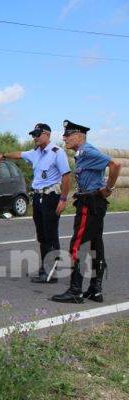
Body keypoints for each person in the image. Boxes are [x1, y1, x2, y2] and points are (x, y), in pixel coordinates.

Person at [51, 120, 121, 303]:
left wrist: (109, 188)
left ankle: (75, 291)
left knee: (77, 246)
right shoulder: (81, 154)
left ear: (79, 136)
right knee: (96, 246)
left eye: (68, 134)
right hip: (95, 203)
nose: (64, 138)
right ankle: (95, 290)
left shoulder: (88, 151)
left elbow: (115, 165)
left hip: (89, 203)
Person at [0, 123, 71, 283]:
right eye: (33, 135)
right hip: (38, 197)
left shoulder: (57, 152)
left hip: (51, 197)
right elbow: (19, 154)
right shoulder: (35, 153)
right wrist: (4, 155)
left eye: (37, 134)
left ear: (47, 134)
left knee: (51, 234)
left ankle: (52, 273)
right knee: (42, 235)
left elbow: (66, 177)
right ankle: (45, 267)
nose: (34, 137)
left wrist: (63, 199)